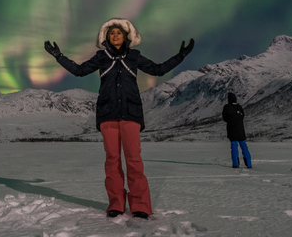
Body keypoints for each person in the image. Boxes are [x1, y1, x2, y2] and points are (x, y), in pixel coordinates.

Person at [45, 18, 194, 219]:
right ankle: (116, 204)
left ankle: (140, 205)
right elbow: (79, 71)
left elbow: (158, 70)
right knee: (112, 161)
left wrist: (180, 56)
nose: (115, 35)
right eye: (112, 33)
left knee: (134, 160)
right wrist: (59, 56)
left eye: (118, 33)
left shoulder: (134, 56)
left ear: (125, 36)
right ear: (106, 37)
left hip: (131, 113)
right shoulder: (101, 57)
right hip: (107, 114)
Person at [222, 92, 252, 168]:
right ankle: (249, 164)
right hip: (241, 130)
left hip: (232, 130)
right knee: (244, 145)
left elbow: (224, 118)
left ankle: (235, 164)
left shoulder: (227, 107)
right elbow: (243, 116)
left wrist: (230, 120)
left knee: (234, 146)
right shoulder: (239, 107)